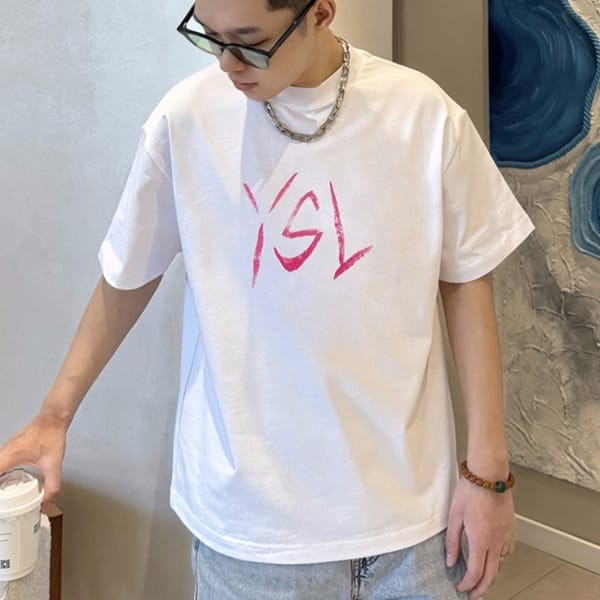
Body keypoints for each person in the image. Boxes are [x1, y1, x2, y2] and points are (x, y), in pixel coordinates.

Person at [0, 1, 534, 598]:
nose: (227, 64)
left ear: (320, 13)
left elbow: (466, 280)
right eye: (211, 37)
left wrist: (488, 476)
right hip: (252, 537)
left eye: (250, 42)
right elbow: (128, 275)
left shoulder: (423, 116)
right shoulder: (187, 119)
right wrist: (54, 416)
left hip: (413, 528)